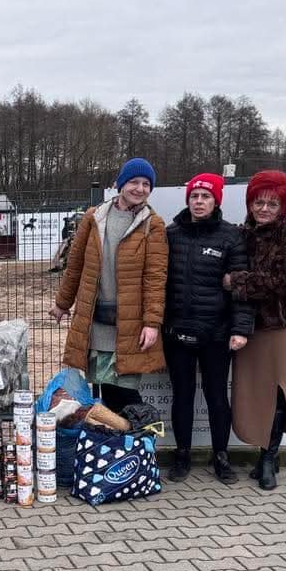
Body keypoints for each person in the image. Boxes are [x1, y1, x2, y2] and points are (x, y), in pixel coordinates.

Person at [49, 157, 168, 413]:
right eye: (134, 181)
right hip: (96, 321)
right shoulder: (94, 218)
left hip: (129, 323)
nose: (140, 188)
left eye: (146, 184)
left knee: (124, 389)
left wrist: (151, 323)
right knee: (103, 387)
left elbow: (155, 278)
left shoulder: (153, 224)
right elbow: (76, 266)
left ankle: (136, 438)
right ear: (120, 184)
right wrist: (62, 303)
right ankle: (115, 444)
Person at [162, 173, 254, 484]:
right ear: (187, 200)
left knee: (217, 396)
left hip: (216, 333)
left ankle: (221, 457)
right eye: (194, 197)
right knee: (183, 396)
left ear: (216, 201)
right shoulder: (170, 234)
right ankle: (182, 454)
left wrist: (240, 329)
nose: (199, 202)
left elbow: (241, 289)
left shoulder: (231, 237)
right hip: (177, 333)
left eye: (205, 197)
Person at [225, 170, 286, 490]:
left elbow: (282, 283)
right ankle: (263, 452)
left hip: (280, 326)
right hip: (246, 327)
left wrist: (236, 282)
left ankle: (269, 457)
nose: (264, 209)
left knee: (280, 392)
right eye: (259, 202)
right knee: (253, 394)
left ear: (283, 207)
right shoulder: (239, 235)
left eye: (272, 203)